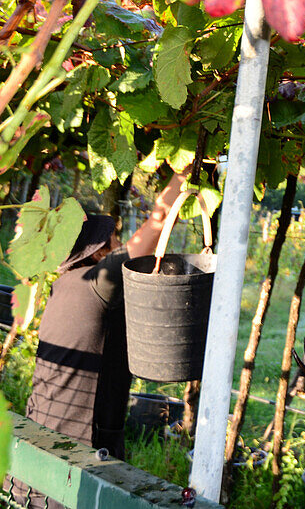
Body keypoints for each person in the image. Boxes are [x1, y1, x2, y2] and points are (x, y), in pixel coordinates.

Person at [25, 171, 186, 458]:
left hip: (44, 430)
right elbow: (154, 227)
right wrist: (183, 175)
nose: (118, 247)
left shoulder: (65, 286)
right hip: (76, 447)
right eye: (112, 241)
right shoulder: (94, 284)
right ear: (97, 253)